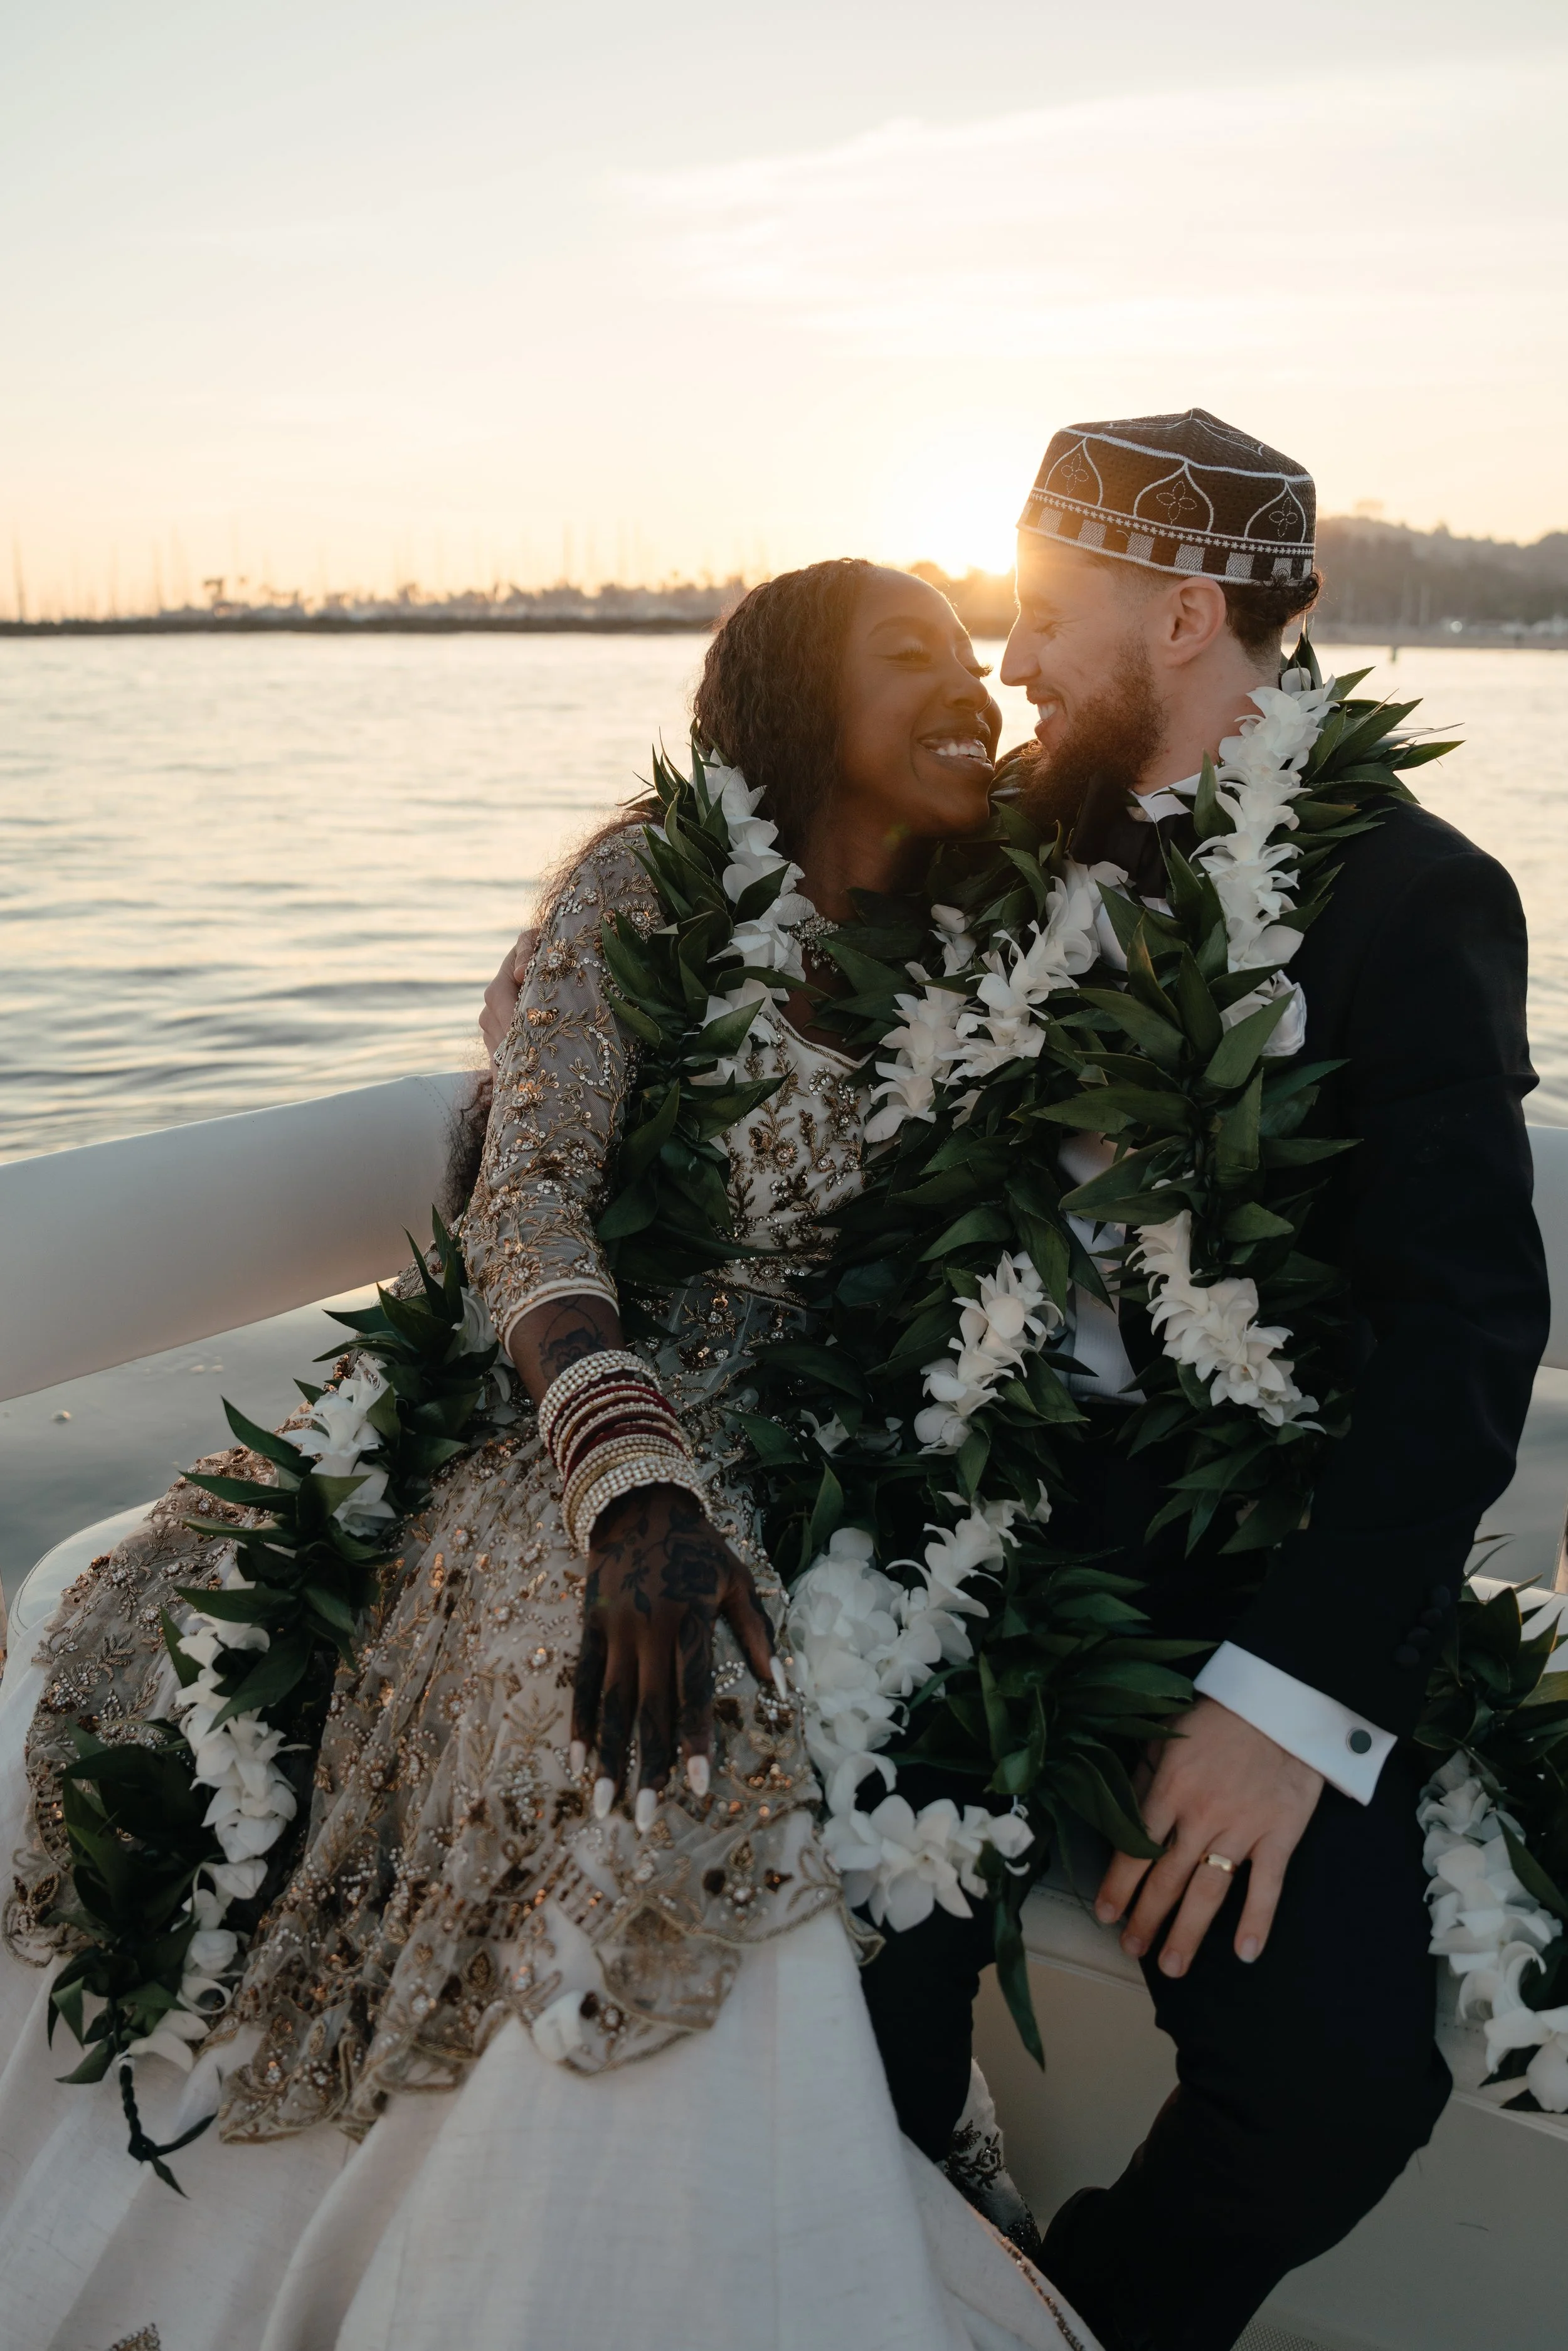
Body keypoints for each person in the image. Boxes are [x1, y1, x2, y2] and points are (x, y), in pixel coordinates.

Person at [0, 561, 1094, 2351]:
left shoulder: (1007, 933)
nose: (969, 684)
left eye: (978, 653)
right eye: (911, 658)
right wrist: (628, 1472)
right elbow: (524, 1197)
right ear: (799, 705)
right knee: (641, 1712)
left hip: (848, 1449)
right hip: (582, 1402)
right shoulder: (642, 893)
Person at [848, 411, 1550, 2351]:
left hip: (1248, 1555)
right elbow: (755, 886)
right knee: (830, 1927)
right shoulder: (993, 858)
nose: (1004, 654)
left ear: (1178, 616)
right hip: (969, 1518)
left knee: (1333, 2079)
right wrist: (572, 948)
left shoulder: (1408, 897)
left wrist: (1285, 1696)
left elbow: (1462, 1335)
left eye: (1044, 607)